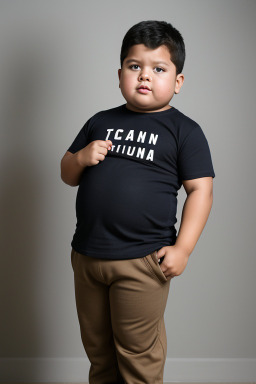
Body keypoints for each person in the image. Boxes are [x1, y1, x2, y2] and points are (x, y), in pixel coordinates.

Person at [60, 20, 215, 384]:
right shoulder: (100, 121)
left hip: (142, 261)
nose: (145, 77)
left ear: (177, 81)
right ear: (120, 75)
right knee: (99, 352)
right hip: (87, 256)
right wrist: (81, 157)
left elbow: (201, 191)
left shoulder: (184, 131)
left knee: (137, 355)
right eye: (135, 67)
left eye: (158, 69)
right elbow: (68, 174)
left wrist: (184, 249)